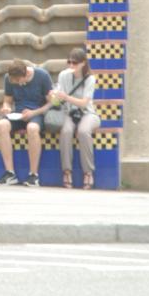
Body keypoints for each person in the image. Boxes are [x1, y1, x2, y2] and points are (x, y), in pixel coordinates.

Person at [0, 58, 52, 187]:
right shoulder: (9, 79)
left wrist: (34, 113)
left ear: (26, 74)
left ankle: (33, 174)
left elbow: (51, 103)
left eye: (19, 81)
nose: (17, 84)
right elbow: (8, 100)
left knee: (32, 128)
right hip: (18, 114)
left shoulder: (42, 76)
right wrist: (6, 107)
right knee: (1, 125)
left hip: (37, 113)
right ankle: (10, 173)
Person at [48, 46, 100, 190]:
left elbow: (84, 103)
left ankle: (88, 172)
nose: (71, 66)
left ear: (83, 63)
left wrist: (66, 97)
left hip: (87, 113)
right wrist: (54, 97)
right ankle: (66, 171)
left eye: (75, 63)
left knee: (83, 131)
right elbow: (59, 101)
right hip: (69, 113)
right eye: (69, 62)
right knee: (66, 132)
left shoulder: (90, 79)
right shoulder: (63, 75)